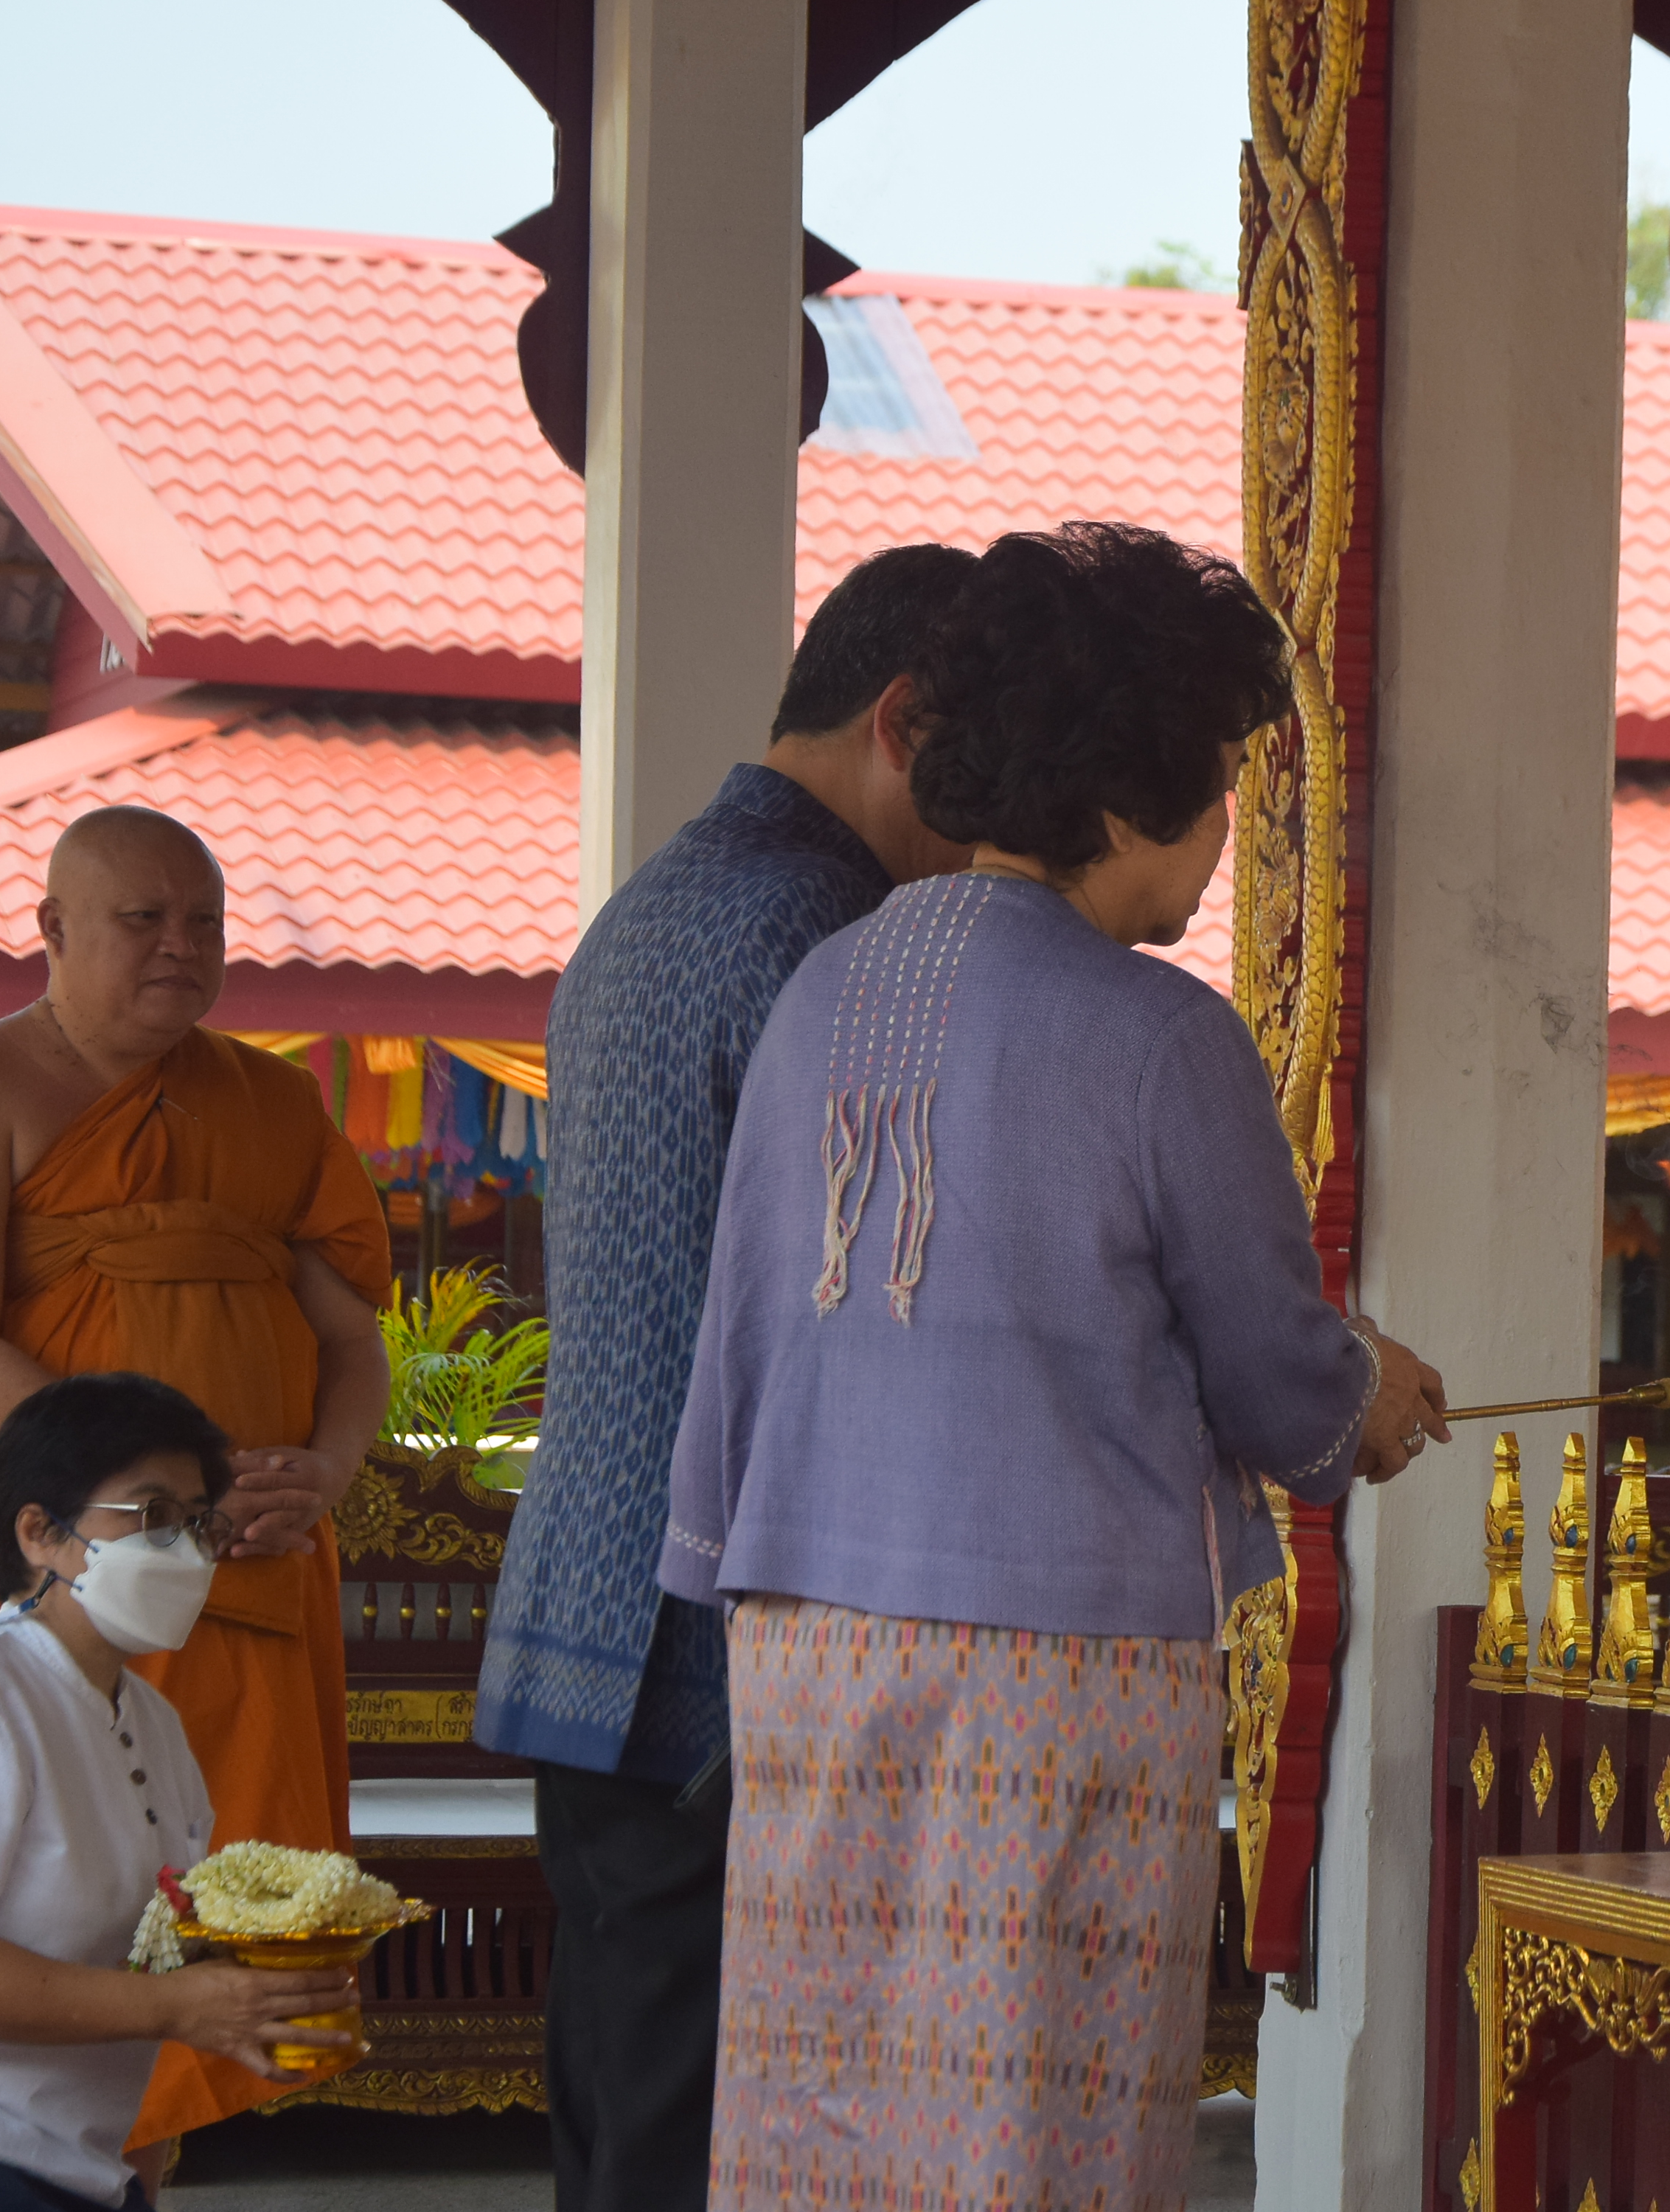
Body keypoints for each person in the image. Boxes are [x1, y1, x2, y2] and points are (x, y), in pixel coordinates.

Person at [659, 521, 1452, 2207]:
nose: (1231, 828)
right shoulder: (1162, 1036)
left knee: (822, 2097)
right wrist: (1359, 1398)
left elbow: (740, 1329)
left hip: (802, 1640)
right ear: (1130, 790)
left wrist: (718, 1565)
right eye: (1220, 780)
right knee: (1032, 2123)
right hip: (1054, 1668)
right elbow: (1268, 1365)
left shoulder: (823, 986)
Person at [471, 543, 982, 2212]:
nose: (988, 847)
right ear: (905, 720)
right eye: (984, 783)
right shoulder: (826, 930)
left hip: (597, 1605)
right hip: (715, 1643)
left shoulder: (660, 899)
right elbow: (875, 1300)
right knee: (705, 2142)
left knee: (629, 2111)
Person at [0, 806, 395, 2151]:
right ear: (50, 931)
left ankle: (145, 2168)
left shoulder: (276, 1104)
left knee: (217, 1884)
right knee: (43, 1880)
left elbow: (349, 1338)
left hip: (247, 1576)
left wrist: (325, 1470)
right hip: (67, 1572)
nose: (182, 948)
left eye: (205, 923)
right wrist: (141, 1501)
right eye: (142, 920)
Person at [0, 1373, 357, 2211]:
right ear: (40, 1535)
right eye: (150, 1516)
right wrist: (177, 2007)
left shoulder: (155, 1726)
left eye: (198, 1523)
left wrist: (267, 1991)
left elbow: (155, 1960)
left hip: (65, 2158)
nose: (184, 1550)